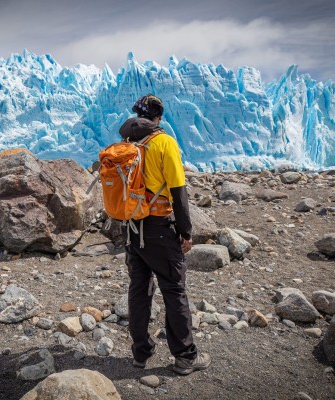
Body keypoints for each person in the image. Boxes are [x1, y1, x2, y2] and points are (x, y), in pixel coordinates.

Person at [119, 94, 211, 375]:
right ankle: (185, 356)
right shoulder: (164, 142)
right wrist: (186, 232)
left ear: (137, 115)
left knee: (139, 290)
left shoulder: (127, 143)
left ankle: (140, 352)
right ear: (158, 118)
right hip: (159, 228)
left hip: (132, 229)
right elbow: (178, 191)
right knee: (174, 290)